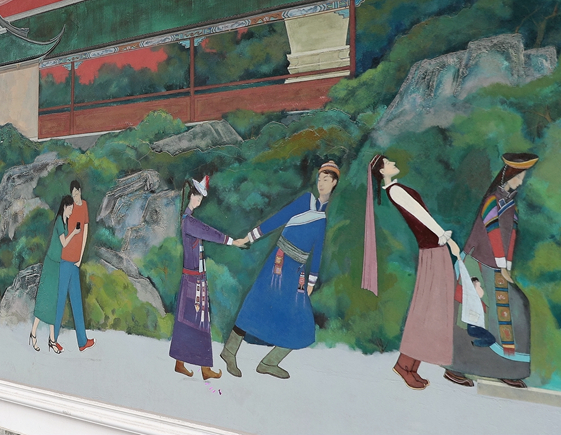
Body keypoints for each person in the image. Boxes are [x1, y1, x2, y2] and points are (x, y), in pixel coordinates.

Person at [220, 161, 340, 379]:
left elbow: (318, 251)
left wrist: (311, 282)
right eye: (319, 178)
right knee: (257, 303)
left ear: (334, 183)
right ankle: (229, 351)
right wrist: (249, 238)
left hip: (297, 272)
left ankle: (269, 362)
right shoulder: (306, 201)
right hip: (279, 262)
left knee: (302, 320)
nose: (321, 183)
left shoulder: (323, 217)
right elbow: (277, 219)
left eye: (326, 179)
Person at [363, 155, 460, 390]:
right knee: (427, 309)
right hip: (433, 249)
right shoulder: (395, 190)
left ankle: (410, 366)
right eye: (388, 163)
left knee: (430, 309)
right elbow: (422, 216)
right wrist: (446, 238)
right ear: (382, 171)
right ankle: (405, 365)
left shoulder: (396, 189)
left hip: (432, 249)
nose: (393, 163)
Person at [444, 153, 538, 389]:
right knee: (472, 315)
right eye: (519, 176)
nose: (521, 181)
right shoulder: (491, 201)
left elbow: (511, 236)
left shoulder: (511, 204)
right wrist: (501, 265)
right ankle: (456, 367)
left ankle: (509, 369)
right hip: (478, 263)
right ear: (508, 175)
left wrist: (507, 267)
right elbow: (493, 233)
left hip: (498, 267)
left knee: (517, 307)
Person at [170, 176, 248, 379]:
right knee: (199, 322)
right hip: (194, 280)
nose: (199, 201)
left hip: (195, 277)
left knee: (187, 321)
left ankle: (183, 363)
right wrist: (232, 241)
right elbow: (209, 232)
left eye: (200, 198)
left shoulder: (188, 220)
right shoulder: (189, 222)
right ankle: (204, 369)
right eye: (197, 197)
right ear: (191, 196)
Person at [54, 180, 95, 352]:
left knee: (77, 301)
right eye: (73, 194)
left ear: (80, 190)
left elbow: (85, 232)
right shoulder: (69, 208)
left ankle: (82, 341)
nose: (75, 197)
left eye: (76, 193)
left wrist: (80, 257)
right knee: (60, 300)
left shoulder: (84, 206)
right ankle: (53, 339)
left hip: (75, 261)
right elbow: (62, 231)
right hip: (65, 259)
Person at [29, 195, 71, 353]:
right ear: (65, 207)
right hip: (51, 263)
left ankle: (52, 340)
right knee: (45, 297)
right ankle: (33, 333)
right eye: (70, 208)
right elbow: (64, 243)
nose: (71, 211)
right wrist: (74, 233)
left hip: (58, 264)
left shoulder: (66, 222)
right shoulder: (60, 221)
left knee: (54, 301)